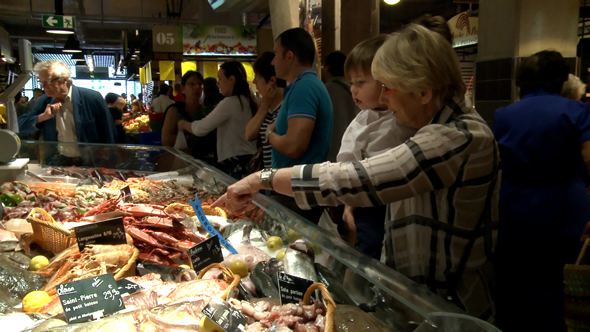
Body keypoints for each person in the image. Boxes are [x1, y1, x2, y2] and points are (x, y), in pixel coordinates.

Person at [213, 24, 500, 321]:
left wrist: (261, 179)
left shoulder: (459, 137)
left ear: (424, 91)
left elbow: (357, 179)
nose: (384, 100)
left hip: (452, 311)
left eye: (388, 87)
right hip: (416, 300)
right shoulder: (425, 125)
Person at [493, 50, 590, 332]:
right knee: (555, 288)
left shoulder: (503, 114)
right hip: (564, 208)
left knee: (515, 285)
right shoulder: (577, 111)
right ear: (560, 80)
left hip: (514, 207)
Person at [337, 35, 417, 259]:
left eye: (360, 83)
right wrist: (349, 202)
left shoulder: (407, 116)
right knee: (371, 246)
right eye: (352, 83)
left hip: (405, 199)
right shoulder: (362, 121)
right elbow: (345, 164)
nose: (353, 90)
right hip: (371, 199)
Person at [177, 62, 257, 180]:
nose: (218, 83)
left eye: (220, 78)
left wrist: (183, 124)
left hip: (235, 163)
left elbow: (201, 128)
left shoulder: (230, 102)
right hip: (249, 162)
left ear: (231, 79)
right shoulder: (248, 101)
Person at [18, 60, 116, 149]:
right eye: (41, 82)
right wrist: (42, 117)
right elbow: (19, 126)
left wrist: (108, 160)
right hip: (58, 162)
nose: (43, 86)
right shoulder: (43, 101)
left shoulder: (92, 98)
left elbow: (109, 132)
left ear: (64, 80)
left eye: (47, 82)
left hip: (90, 162)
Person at [246, 51, 285, 169]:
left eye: (257, 77)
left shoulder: (287, 106)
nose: (254, 82)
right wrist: (265, 104)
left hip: (282, 176)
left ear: (272, 81)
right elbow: (249, 134)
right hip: (269, 177)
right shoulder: (268, 107)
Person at [323, 51, 359, 162]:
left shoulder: (326, 91)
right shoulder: (353, 89)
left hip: (333, 154)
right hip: (355, 150)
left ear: (327, 68)